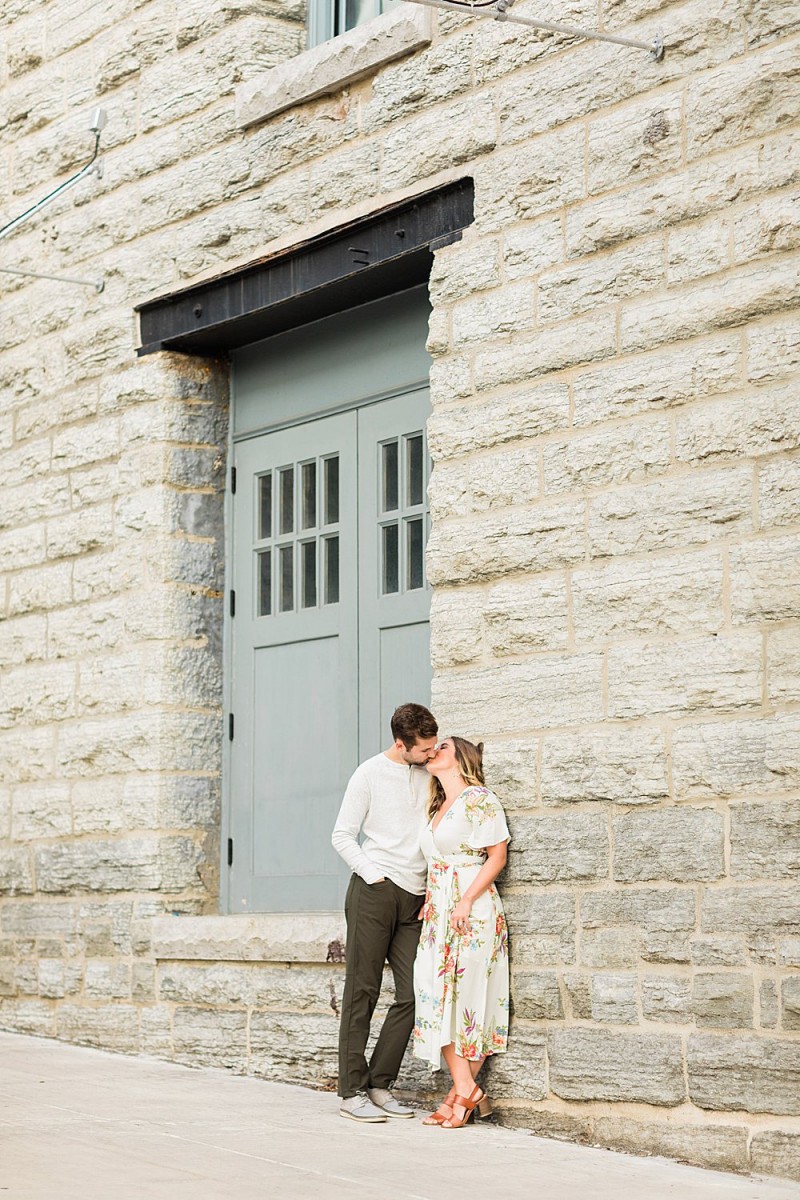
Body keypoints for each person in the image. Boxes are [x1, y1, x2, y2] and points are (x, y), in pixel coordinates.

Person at [332, 702, 439, 1123]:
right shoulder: (369, 774)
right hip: (374, 893)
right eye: (424, 749)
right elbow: (342, 835)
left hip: (415, 898)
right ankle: (351, 1091)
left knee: (414, 995)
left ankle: (379, 1084)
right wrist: (374, 875)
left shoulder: (430, 772)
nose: (431, 755)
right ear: (401, 743)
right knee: (363, 990)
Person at [413, 736, 510, 1128]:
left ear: (461, 759)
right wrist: (433, 898)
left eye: (443, 748)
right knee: (435, 995)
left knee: (470, 1000)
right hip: (439, 913)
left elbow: (497, 854)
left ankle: (459, 1095)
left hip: (473, 911)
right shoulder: (437, 805)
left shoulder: (479, 799)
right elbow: (438, 860)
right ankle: (467, 1090)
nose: (433, 752)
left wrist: (467, 899)